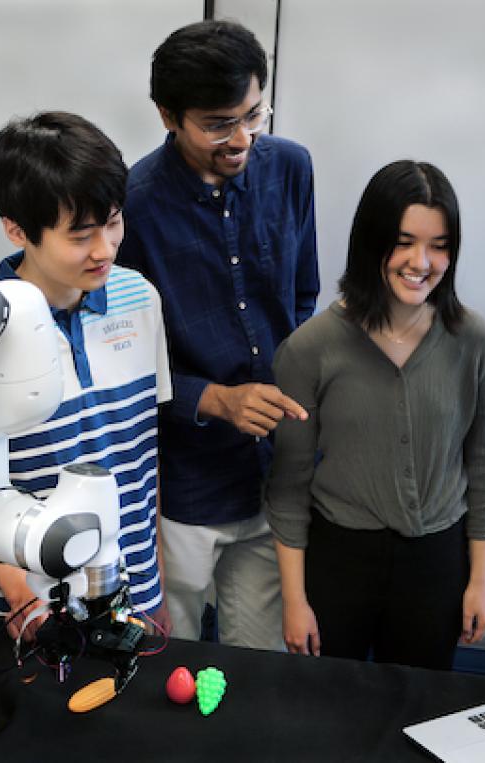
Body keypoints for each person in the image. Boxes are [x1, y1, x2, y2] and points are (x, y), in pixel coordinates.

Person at [116, 19, 316, 649]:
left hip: (273, 482)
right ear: (168, 116)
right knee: (160, 659)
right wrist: (217, 401)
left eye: (253, 115)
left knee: (258, 664)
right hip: (184, 489)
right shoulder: (133, 206)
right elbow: (122, 366)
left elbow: (303, 300)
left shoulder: (290, 169)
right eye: (218, 125)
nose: (242, 138)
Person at [0, 112, 172, 640]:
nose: (105, 248)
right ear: (17, 229)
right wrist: (21, 597)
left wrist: (155, 584)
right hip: (36, 607)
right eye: (81, 234)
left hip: (137, 595)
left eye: (113, 222)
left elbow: (140, 458)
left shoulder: (140, 299)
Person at [264, 160, 485, 670]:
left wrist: (480, 581)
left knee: (418, 718)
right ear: (372, 241)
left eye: (440, 245)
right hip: (339, 560)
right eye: (404, 241)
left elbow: (484, 465)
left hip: (437, 562)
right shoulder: (310, 349)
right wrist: (294, 600)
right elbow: (288, 486)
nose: (422, 261)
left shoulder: (476, 342)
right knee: (329, 716)